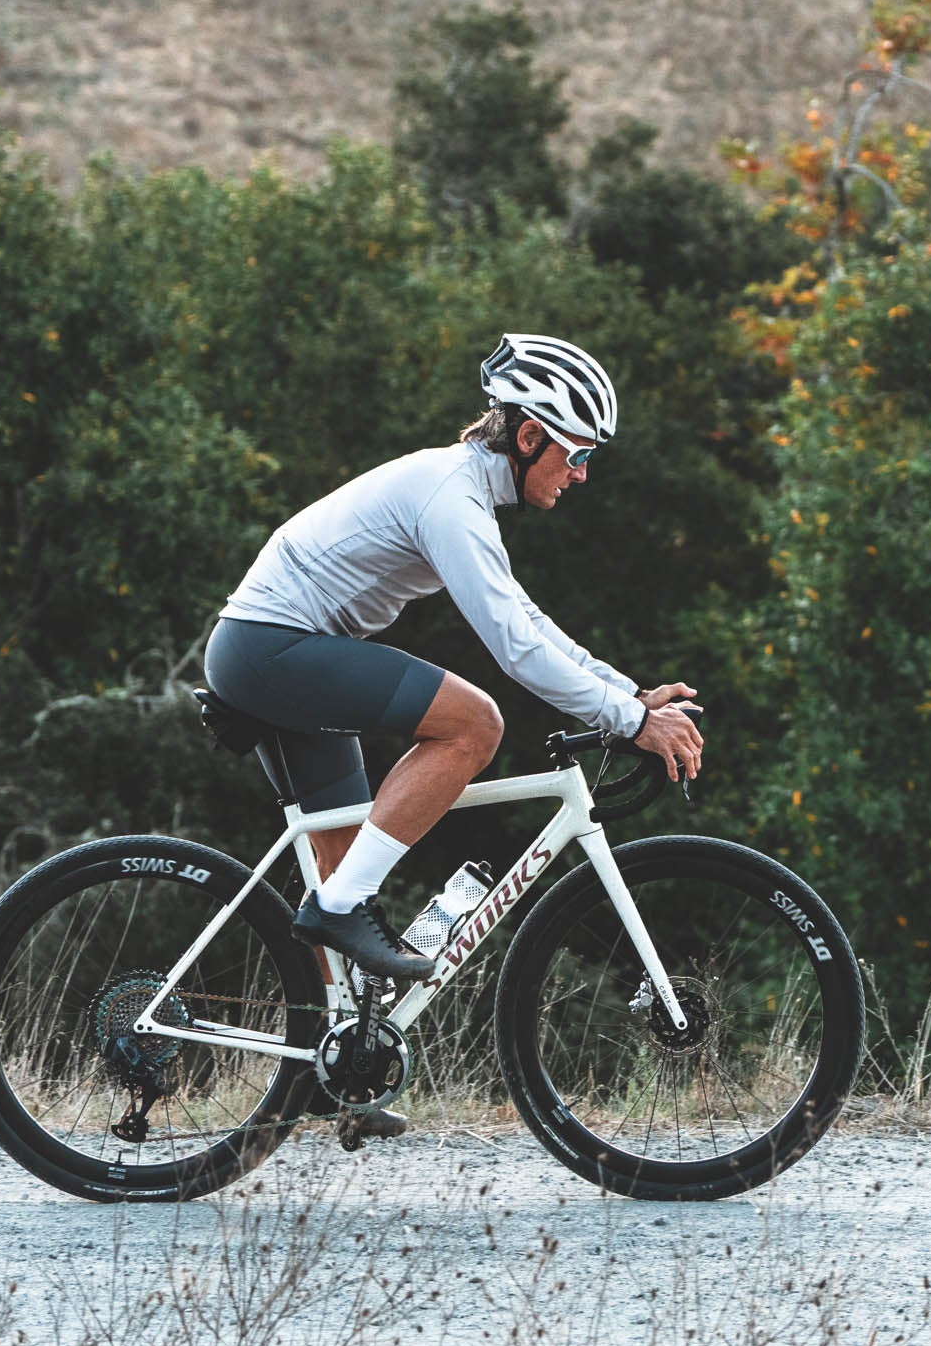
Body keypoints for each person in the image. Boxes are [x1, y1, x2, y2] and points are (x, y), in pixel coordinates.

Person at [202, 333, 705, 998]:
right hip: (272, 648)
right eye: (576, 454)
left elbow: (524, 618)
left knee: (346, 865)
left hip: (275, 652)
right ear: (528, 438)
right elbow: (515, 648)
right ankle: (338, 909)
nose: (582, 473)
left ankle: (332, 1066)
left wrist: (626, 695)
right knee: (474, 725)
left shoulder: (463, 491)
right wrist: (630, 722)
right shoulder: (451, 497)